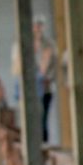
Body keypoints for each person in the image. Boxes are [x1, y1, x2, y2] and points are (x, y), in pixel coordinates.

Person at [11, 16, 57, 144]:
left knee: (42, 121)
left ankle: (43, 149)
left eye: (40, 25)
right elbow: (16, 69)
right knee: (28, 121)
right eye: (35, 25)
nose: (38, 29)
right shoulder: (20, 45)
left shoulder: (49, 44)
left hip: (44, 89)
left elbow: (51, 69)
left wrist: (46, 72)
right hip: (26, 90)